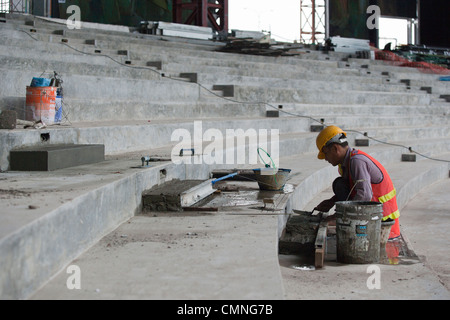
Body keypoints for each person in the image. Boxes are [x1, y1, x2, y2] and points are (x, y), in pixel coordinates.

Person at [314, 125, 400, 239]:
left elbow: (364, 195)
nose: (326, 158)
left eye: (326, 153)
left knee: (340, 185)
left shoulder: (357, 161)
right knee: (339, 184)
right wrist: (331, 202)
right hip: (372, 217)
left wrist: (339, 217)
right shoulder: (347, 162)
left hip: (381, 226)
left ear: (335, 149)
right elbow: (351, 190)